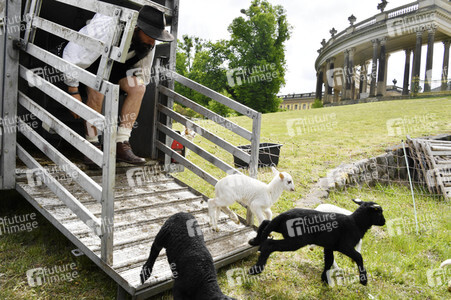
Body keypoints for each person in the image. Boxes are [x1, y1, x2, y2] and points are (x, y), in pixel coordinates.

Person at [62, 6, 174, 165]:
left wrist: (134, 83)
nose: (153, 41)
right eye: (150, 35)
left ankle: (121, 144)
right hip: (87, 67)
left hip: (113, 71)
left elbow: (143, 72)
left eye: (156, 37)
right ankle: (92, 145)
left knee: (139, 87)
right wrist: (73, 90)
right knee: (97, 86)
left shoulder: (148, 43)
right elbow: (72, 55)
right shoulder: (107, 28)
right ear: (137, 28)